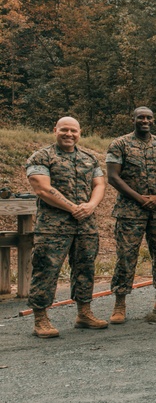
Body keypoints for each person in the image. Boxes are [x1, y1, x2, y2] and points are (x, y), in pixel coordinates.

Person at [24, 117, 107, 337]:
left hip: (85, 225)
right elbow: (42, 188)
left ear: (80, 133)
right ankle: (41, 319)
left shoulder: (89, 158)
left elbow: (99, 184)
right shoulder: (41, 156)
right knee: (46, 270)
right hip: (53, 226)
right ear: (55, 131)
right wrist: (72, 208)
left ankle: (84, 313)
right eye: (64, 130)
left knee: (85, 269)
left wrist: (91, 205)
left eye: (73, 130)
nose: (69, 134)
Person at [105, 107, 156, 323]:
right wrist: (139, 198)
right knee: (126, 257)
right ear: (133, 119)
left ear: (153, 121)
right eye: (141, 117)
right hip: (130, 212)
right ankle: (120, 303)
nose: (145, 121)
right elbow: (113, 177)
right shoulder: (120, 144)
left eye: (148, 118)